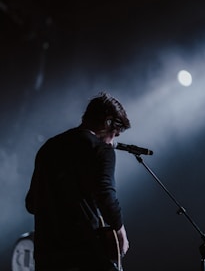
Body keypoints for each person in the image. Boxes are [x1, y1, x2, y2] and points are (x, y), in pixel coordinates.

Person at [25, 92, 131, 271]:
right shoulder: (100, 150)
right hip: (83, 253)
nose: (113, 140)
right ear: (107, 123)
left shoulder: (49, 147)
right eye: (115, 133)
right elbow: (105, 194)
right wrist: (120, 231)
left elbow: (31, 204)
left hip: (47, 256)